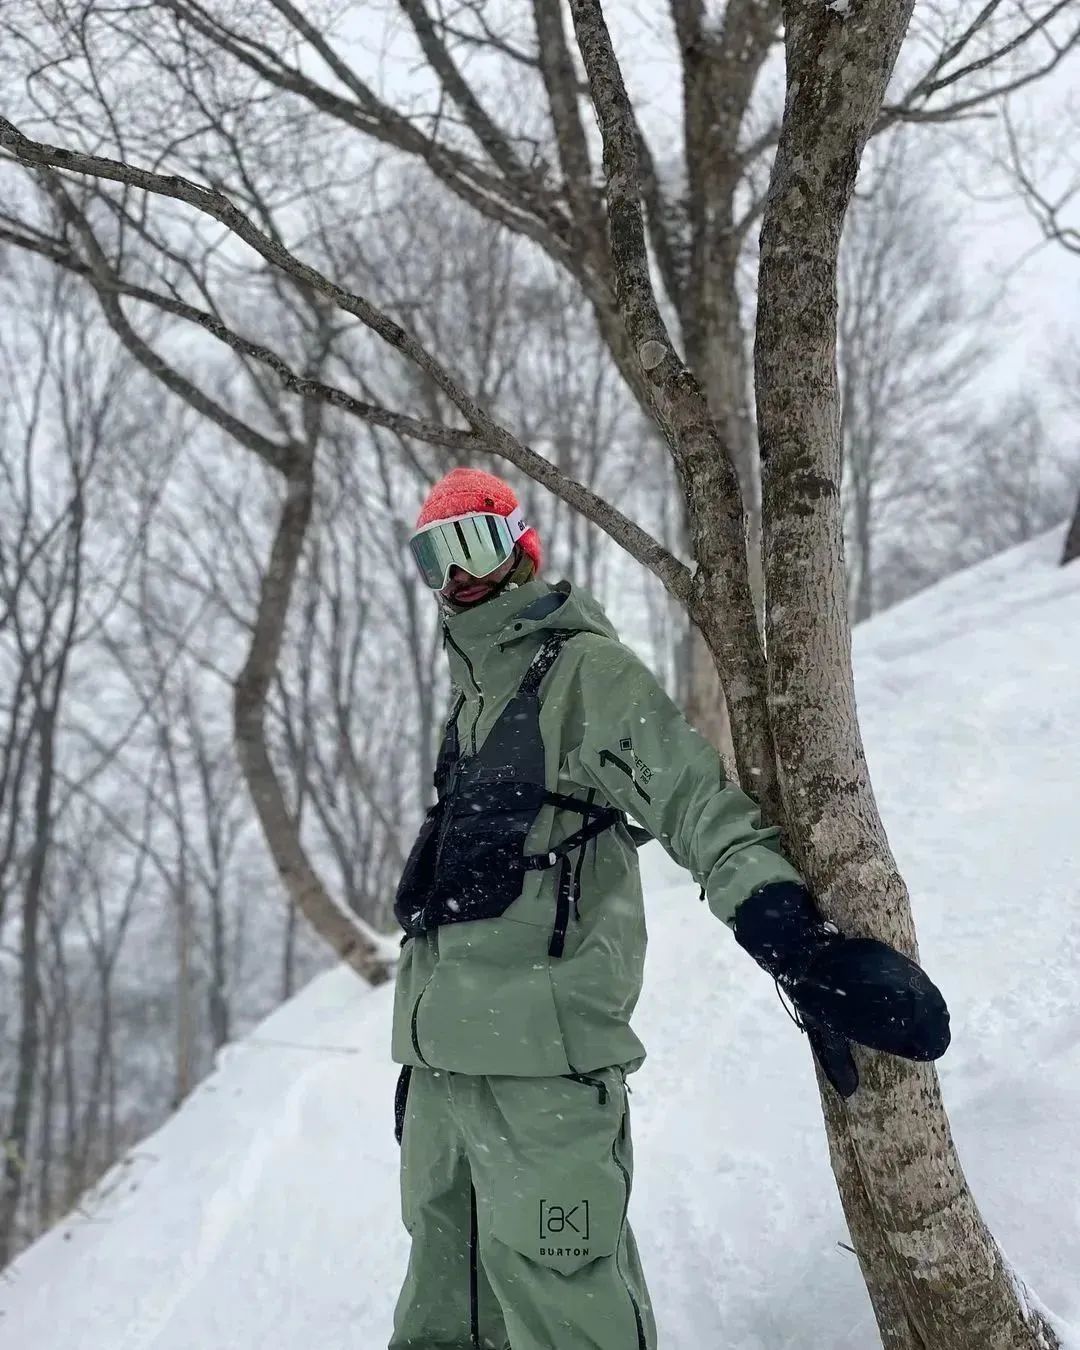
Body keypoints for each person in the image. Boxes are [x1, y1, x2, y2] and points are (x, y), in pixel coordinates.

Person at [389, 467, 950, 1350]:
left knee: (567, 1307)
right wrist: (425, 1056)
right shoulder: (470, 699)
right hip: (443, 1077)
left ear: (521, 545)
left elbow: (696, 805)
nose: (457, 575)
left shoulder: (586, 675)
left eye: (475, 543)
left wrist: (795, 941)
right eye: (435, 555)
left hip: (543, 1065)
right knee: (443, 1308)